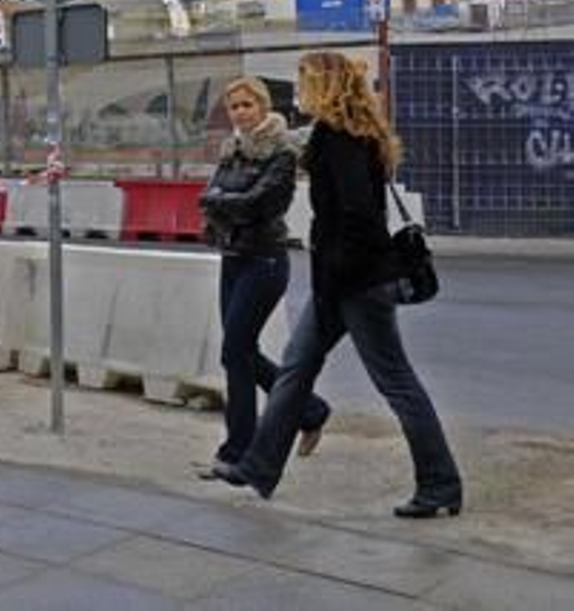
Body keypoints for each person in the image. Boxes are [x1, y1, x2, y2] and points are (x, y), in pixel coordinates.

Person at [214, 51, 463, 519]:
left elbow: (357, 218)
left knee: (396, 382)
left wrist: (336, 276)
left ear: (324, 86)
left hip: (357, 284)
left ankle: (440, 484)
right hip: (337, 282)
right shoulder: (344, 134)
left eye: (304, 82)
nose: (299, 92)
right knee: (296, 368)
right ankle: (259, 467)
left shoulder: (342, 138)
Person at [197, 76, 331, 478]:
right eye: (234, 106)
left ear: (263, 105)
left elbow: (261, 203)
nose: (240, 113)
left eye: (247, 105)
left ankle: (238, 451)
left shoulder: (281, 150)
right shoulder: (232, 149)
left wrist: (223, 201)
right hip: (233, 257)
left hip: (264, 261)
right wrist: (225, 201)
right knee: (239, 352)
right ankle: (309, 411)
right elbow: (211, 197)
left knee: (235, 352)